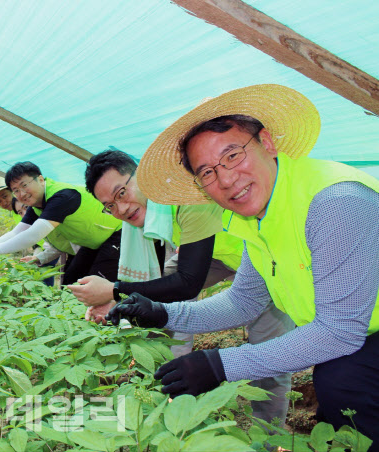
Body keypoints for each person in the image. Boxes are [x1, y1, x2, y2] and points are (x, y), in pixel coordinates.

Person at [107, 84, 379, 445]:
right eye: (206, 172)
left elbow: (339, 331)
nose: (225, 179)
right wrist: (163, 313)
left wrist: (221, 366)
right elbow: (244, 301)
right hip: (363, 334)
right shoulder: (260, 216)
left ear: (266, 142)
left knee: (342, 379)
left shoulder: (333, 201)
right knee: (338, 398)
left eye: (233, 155)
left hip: (357, 335)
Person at [71, 148, 293, 425]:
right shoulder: (157, 213)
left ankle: (270, 435)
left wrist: (115, 290)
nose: (121, 209)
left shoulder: (187, 195)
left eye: (121, 193)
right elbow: (166, 284)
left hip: (265, 256)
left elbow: (188, 284)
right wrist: (119, 299)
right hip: (221, 251)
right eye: (110, 205)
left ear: (143, 175)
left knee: (269, 349)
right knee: (159, 299)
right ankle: (164, 378)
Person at [0, 161, 122, 285]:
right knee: (71, 281)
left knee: (96, 285)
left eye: (24, 185)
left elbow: (33, 235)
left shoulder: (62, 196)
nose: (22, 193)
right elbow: (18, 231)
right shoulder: (37, 203)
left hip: (114, 235)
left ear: (40, 179)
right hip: (92, 242)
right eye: (16, 190)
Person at [12, 197, 66, 287]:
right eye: (20, 213)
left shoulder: (52, 216)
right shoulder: (41, 223)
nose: (25, 214)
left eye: (26, 208)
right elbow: (56, 247)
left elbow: (61, 245)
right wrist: (37, 258)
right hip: (43, 246)